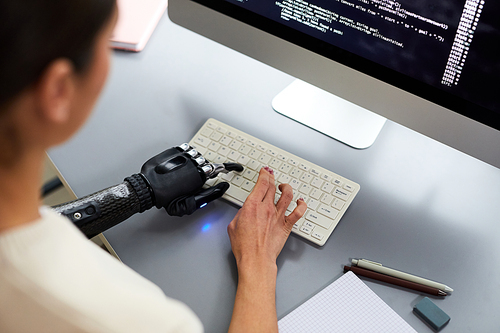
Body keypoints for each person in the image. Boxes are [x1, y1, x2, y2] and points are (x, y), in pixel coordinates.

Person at [0, 1, 307, 332]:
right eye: (107, 43)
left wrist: (141, 191)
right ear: (58, 91)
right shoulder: (142, 321)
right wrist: (258, 263)